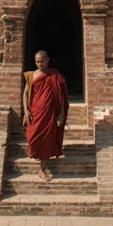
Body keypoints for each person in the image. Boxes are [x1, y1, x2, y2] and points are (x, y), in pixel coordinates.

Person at [22, 50, 69, 182]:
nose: (39, 64)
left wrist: (61, 114)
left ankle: (42, 170)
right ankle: (39, 159)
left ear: (48, 60)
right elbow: (25, 93)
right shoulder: (32, 75)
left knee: (47, 141)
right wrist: (26, 110)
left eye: (42, 61)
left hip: (50, 115)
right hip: (36, 113)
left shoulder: (55, 75)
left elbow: (62, 97)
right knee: (32, 137)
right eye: (37, 61)